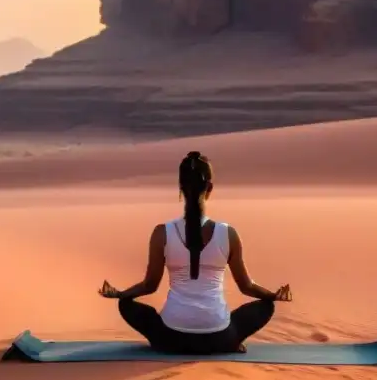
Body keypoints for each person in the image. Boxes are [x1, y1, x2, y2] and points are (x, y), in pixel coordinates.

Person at [98, 150, 291, 355]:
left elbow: (149, 285)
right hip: (219, 339)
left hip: (171, 339)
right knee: (266, 307)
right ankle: (231, 342)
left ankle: (161, 342)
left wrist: (121, 294)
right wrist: (273, 296)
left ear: (180, 188)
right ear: (210, 188)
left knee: (126, 305)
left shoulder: (162, 233)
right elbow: (246, 286)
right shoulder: (228, 234)